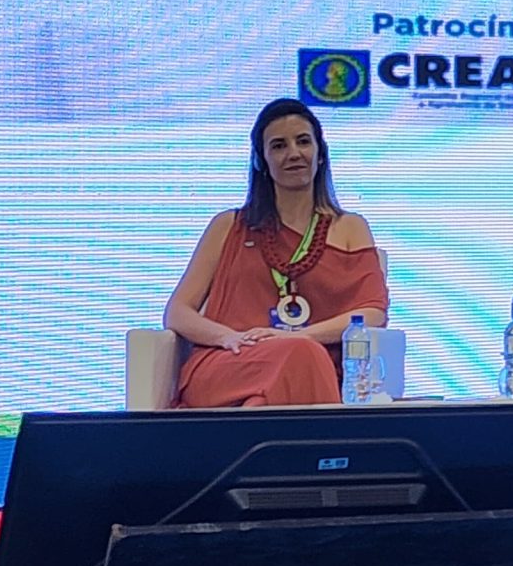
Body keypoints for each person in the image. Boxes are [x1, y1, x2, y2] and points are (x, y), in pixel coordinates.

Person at [164, 97, 389, 408]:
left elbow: (373, 313)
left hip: (314, 361)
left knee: (288, 373)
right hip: (232, 360)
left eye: (303, 142)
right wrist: (227, 337)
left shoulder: (350, 227)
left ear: (320, 154)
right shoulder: (228, 225)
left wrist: (299, 336)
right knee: (300, 360)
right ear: (262, 161)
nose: (294, 153)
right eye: (279, 146)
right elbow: (177, 312)